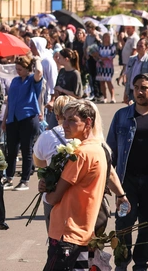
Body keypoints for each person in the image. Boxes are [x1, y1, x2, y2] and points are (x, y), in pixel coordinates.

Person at [42, 100, 108, 271]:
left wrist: (47, 192)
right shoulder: (98, 148)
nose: (65, 124)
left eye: (72, 120)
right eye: (64, 119)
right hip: (82, 231)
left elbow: (55, 197)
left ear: (87, 122)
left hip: (68, 232)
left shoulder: (81, 154)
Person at [107, 73, 148, 271]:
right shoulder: (121, 115)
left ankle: (140, 265)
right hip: (125, 182)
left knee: (147, 226)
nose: (139, 91)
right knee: (123, 224)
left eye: (144, 88)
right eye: (136, 87)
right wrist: (107, 182)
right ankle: (122, 262)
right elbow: (110, 151)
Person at [2, 53, 43, 191]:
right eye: (16, 69)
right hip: (12, 119)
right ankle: (9, 178)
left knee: (26, 150)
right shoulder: (15, 81)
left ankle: (24, 180)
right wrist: (5, 120)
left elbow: (39, 71)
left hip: (28, 118)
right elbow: (10, 102)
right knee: (11, 151)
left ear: (27, 68)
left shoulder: (33, 80)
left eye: (20, 69)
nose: (17, 71)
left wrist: (36, 59)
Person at [33, 95, 74, 232]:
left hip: (53, 193)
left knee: (55, 238)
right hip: (77, 193)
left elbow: (38, 162)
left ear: (56, 116)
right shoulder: (84, 134)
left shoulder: (47, 136)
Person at [31, 37, 58, 127]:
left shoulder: (48, 61)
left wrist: (52, 100)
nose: (30, 47)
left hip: (47, 100)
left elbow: (53, 82)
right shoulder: (35, 60)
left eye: (33, 45)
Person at [123, 38, 148, 104]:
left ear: (147, 47)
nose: (138, 48)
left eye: (141, 46)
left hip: (143, 93)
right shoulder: (131, 59)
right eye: (137, 45)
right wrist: (125, 93)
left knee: (141, 112)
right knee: (132, 113)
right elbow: (127, 77)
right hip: (131, 92)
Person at [96, 33, 117, 103]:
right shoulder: (100, 46)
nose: (106, 38)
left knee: (109, 81)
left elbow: (113, 55)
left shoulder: (112, 46)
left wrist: (105, 58)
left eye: (107, 37)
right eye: (104, 37)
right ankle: (105, 97)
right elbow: (96, 54)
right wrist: (98, 57)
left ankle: (113, 97)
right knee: (102, 82)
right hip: (100, 66)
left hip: (108, 66)